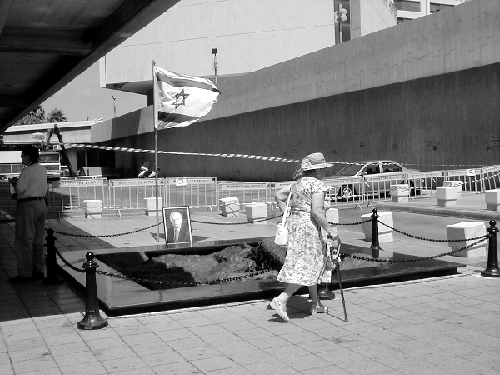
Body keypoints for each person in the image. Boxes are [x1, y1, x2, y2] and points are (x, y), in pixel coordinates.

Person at [271, 152, 339, 322]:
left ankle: (315, 303)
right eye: (323, 169)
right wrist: (330, 229)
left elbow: (279, 195)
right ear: (317, 170)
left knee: (309, 263)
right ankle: (282, 299)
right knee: (307, 264)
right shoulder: (317, 185)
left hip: (296, 226)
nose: (324, 172)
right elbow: (317, 211)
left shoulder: (297, 184)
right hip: (309, 228)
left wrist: (288, 213)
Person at [9, 146, 48, 283]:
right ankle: (38, 270)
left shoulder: (27, 171)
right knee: (38, 240)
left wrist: (14, 182)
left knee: (24, 239)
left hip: (27, 205)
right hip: (41, 203)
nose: (21, 158)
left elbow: (20, 189)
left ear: (28, 156)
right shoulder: (42, 169)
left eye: (23, 155)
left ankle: (25, 273)